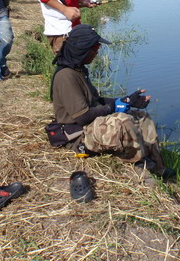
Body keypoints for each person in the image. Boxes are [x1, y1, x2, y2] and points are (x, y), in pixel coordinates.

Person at [50, 24, 171, 176]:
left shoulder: (78, 70)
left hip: (91, 125)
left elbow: (97, 101)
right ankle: (136, 162)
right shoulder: (66, 76)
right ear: (82, 48)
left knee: (142, 117)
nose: (97, 52)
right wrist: (114, 107)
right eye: (95, 47)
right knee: (123, 121)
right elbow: (82, 117)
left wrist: (127, 100)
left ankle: (158, 166)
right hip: (79, 135)